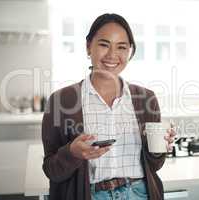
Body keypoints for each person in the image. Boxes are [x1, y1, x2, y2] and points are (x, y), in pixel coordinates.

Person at [42, 13, 176, 200]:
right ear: (89, 46)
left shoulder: (146, 99)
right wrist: (72, 152)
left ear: (129, 51)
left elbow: (155, 165)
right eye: (104, 44)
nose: (112, 55)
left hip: (140, 194)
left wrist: (158, 148)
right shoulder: (61, 101)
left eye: (122, 47)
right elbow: (51, 170)